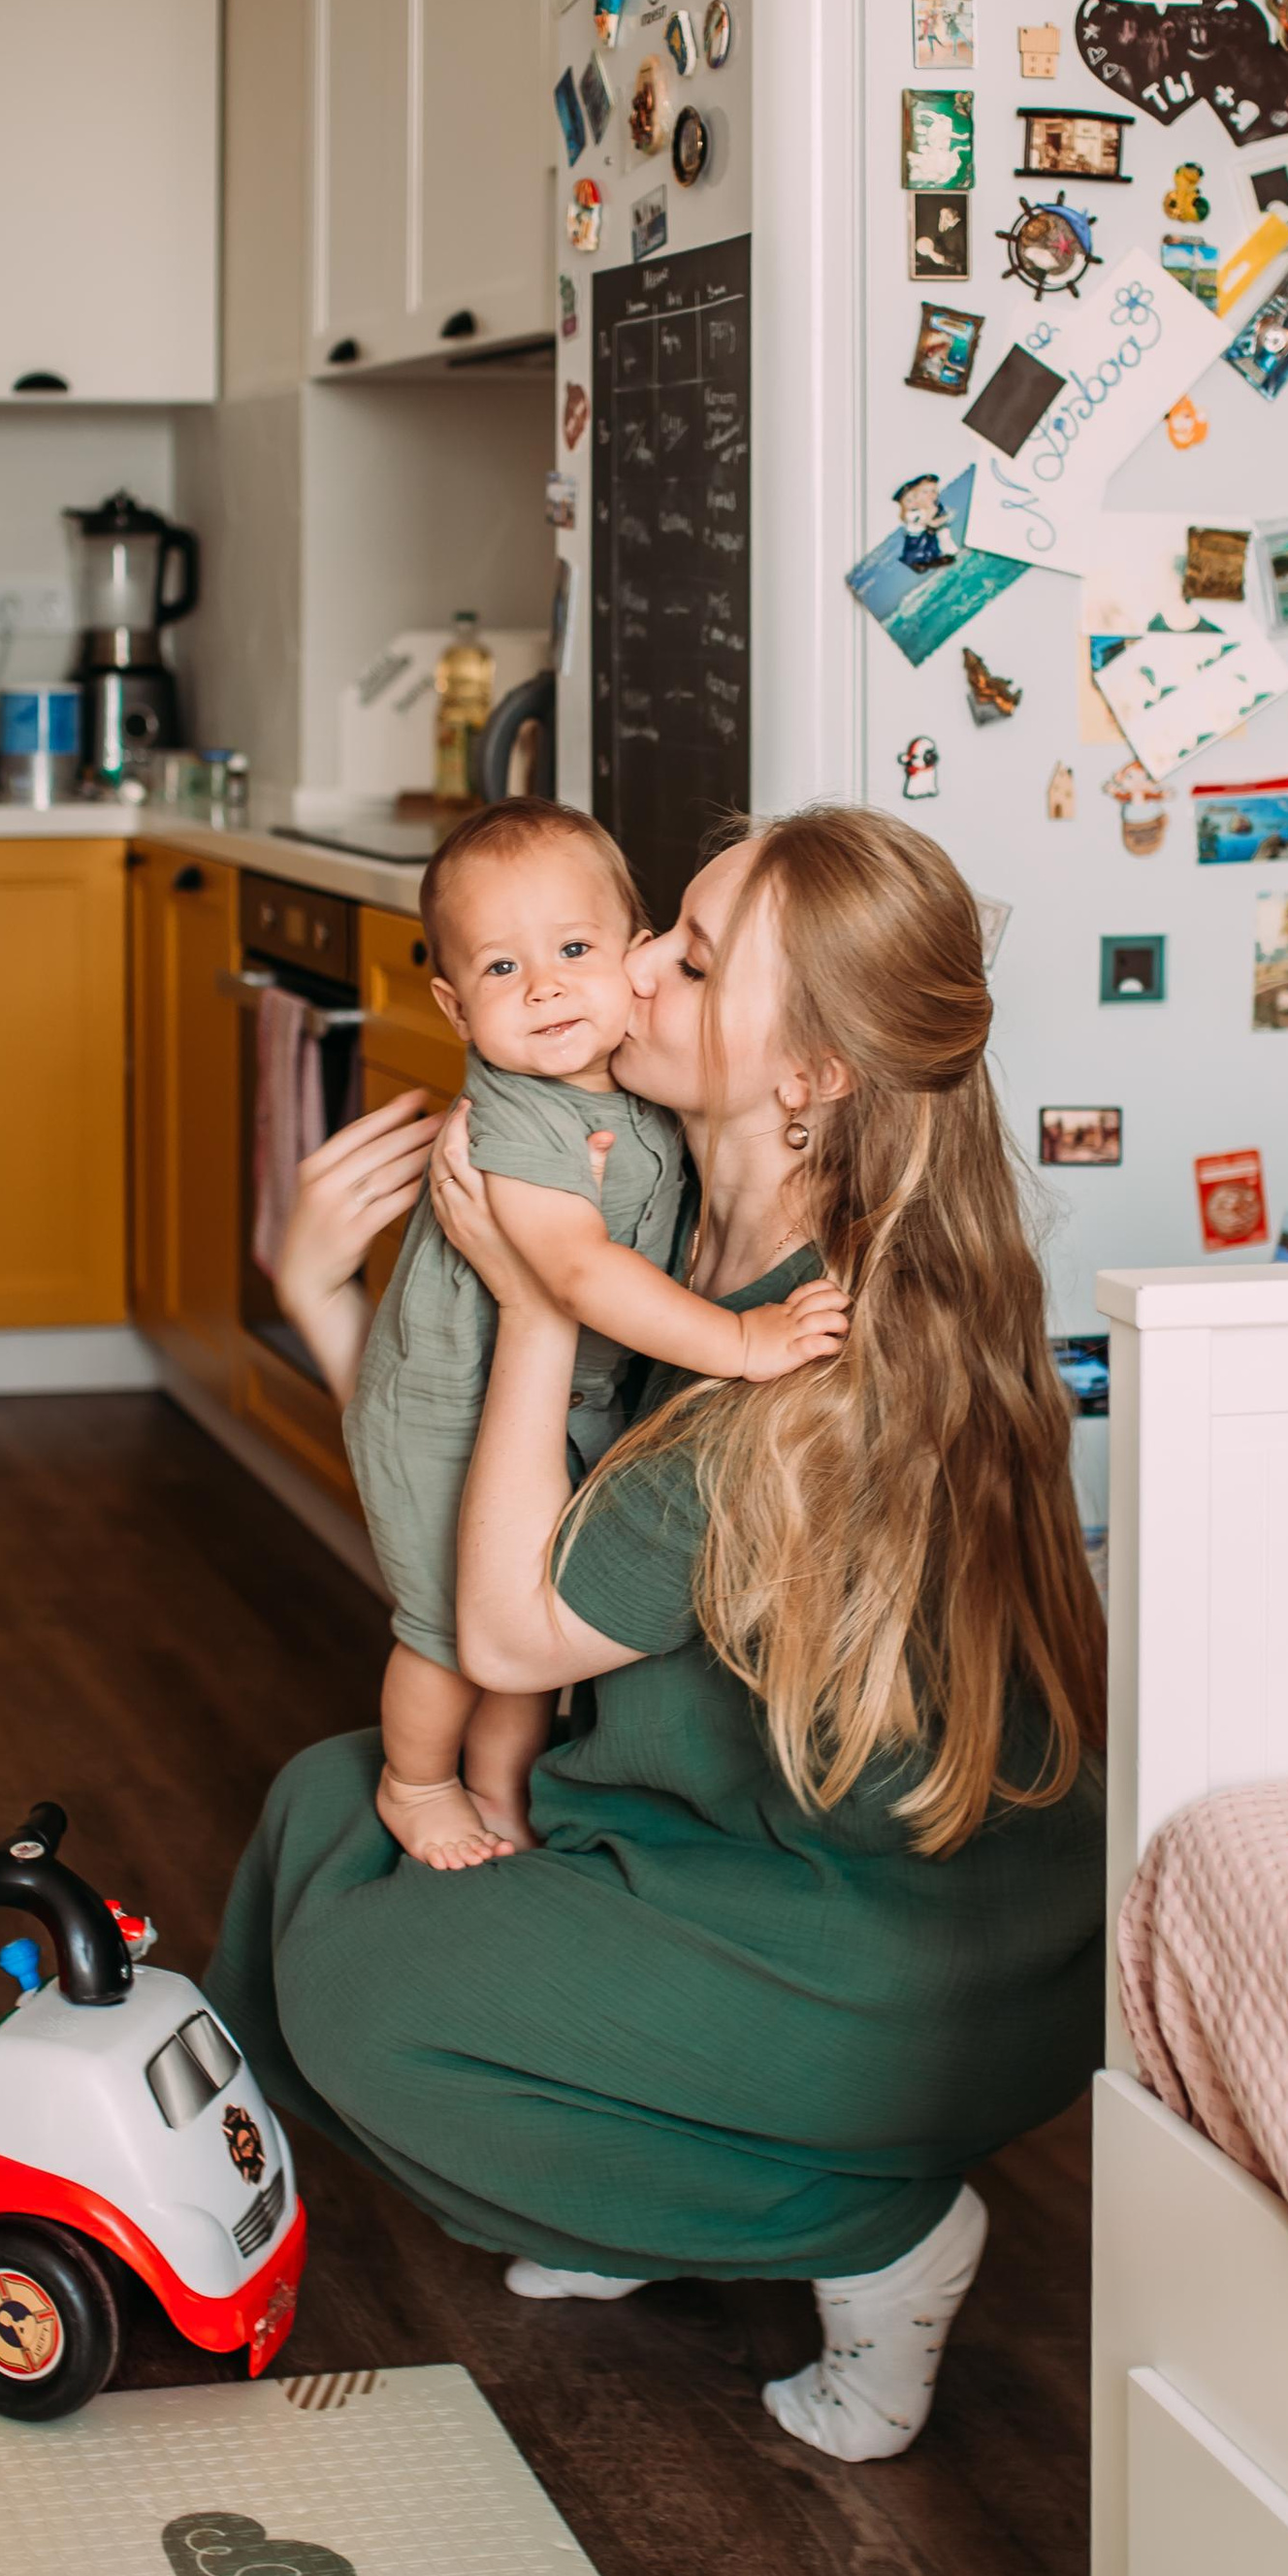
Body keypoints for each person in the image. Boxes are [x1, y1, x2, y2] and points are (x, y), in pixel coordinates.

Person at [210, 807, 1107, 2462]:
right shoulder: (693, 1217)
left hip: (882, 1957)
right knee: (324, 1809)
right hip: (769, 1859)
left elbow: (494, 1619)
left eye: (685, 957)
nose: (625, 972)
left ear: (810, 1076)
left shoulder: (789, 1363)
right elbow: (481, 1489)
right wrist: (335, 1301)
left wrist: (543, 1302)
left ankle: (874, 2230)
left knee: (359, 2003)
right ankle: (631, 2167)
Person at [344, 796, 847, 1871]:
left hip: (541, 1401)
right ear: (451, 1005)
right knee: (444, 1627)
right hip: (448, 1407)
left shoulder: (631, 1084)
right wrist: (745, 1344)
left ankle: (501, 1797)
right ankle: (419, 1780)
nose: (547, 988)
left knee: (517, 1656)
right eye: (501, 971)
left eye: (577, 949)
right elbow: (570, 1272)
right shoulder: (520, 1113)